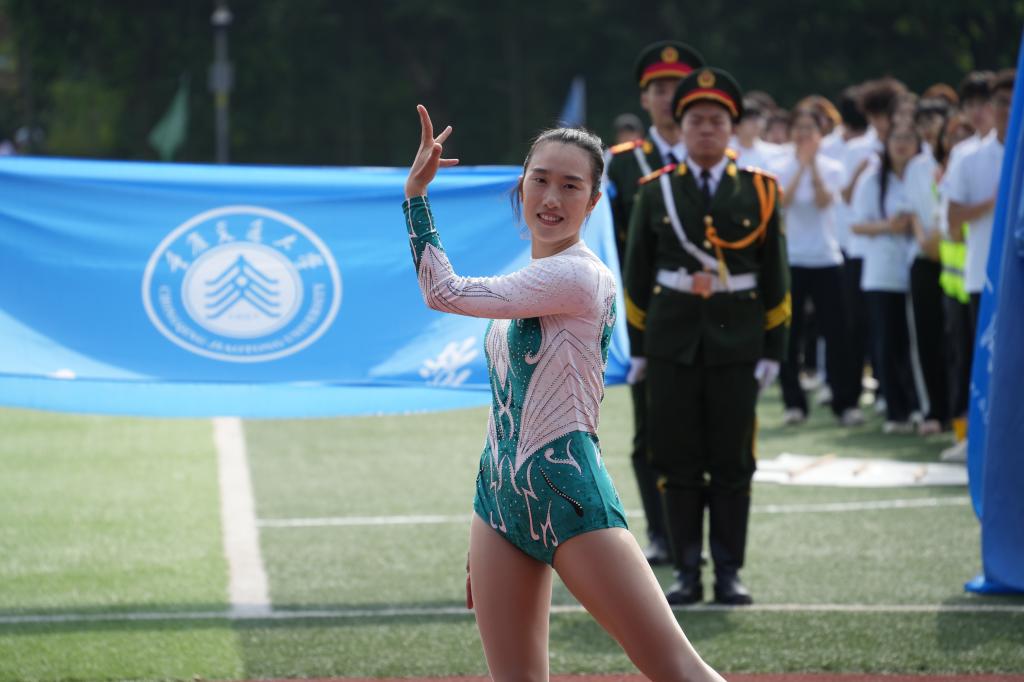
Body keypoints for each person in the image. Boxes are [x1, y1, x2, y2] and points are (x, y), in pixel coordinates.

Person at [403, 105, 725, 682]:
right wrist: (489, 507)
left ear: (593, 201)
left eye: (570, 186)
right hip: (498, 503)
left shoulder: (579, 275)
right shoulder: (530, 280)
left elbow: (442, 291)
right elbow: (505, 408)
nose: (551, 198)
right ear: (521, 186)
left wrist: (416, 198)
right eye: (541, 180)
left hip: (571, 499)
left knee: (677, 670)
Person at [624, 68, 790, 605]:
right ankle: (687, 571)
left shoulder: (761, 190)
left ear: (732, 127)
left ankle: (729, 570)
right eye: (696, 120)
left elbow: (776, 276)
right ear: (682, 126)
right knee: (676, 457)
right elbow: (637, 274)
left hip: (736, 341)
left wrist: (774, 350)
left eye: (717, 120)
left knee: (732, 459)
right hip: (671, 342)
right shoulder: (657, 191)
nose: (706, 129)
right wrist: (639, 347)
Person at [605, 40, 705, 566]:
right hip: (645, 316)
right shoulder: (621, 165)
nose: (668, 97)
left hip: (712, 316)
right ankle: (664, 534)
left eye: (677, 88)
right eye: (658, 89)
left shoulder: (715, 163)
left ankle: (699, 540)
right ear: (644, 99)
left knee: (710, 430)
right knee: (652, 431)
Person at [774, 107, 863, 427]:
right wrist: (800, 166)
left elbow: (825, 201)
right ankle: (793, 402)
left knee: (837, 333)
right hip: (793, 260)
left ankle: (845, 402)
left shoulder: (833, 167)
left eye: (809, 129)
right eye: (798, 129)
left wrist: (812, 165)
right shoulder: (779, 167)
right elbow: (782, 203)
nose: (803, 135)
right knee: (790, 334)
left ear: (819, 135)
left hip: (827, 258)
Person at [851, 119, 922, 433]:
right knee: (888, 341)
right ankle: (896, 410)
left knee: (915, 342)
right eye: (897, 138)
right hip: (882, 271)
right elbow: (856, 224)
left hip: (919, 267)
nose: (902, 144)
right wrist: (889, 227)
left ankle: (920, 406)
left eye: (908, 137)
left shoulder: (924, 175)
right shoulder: (872, 179)